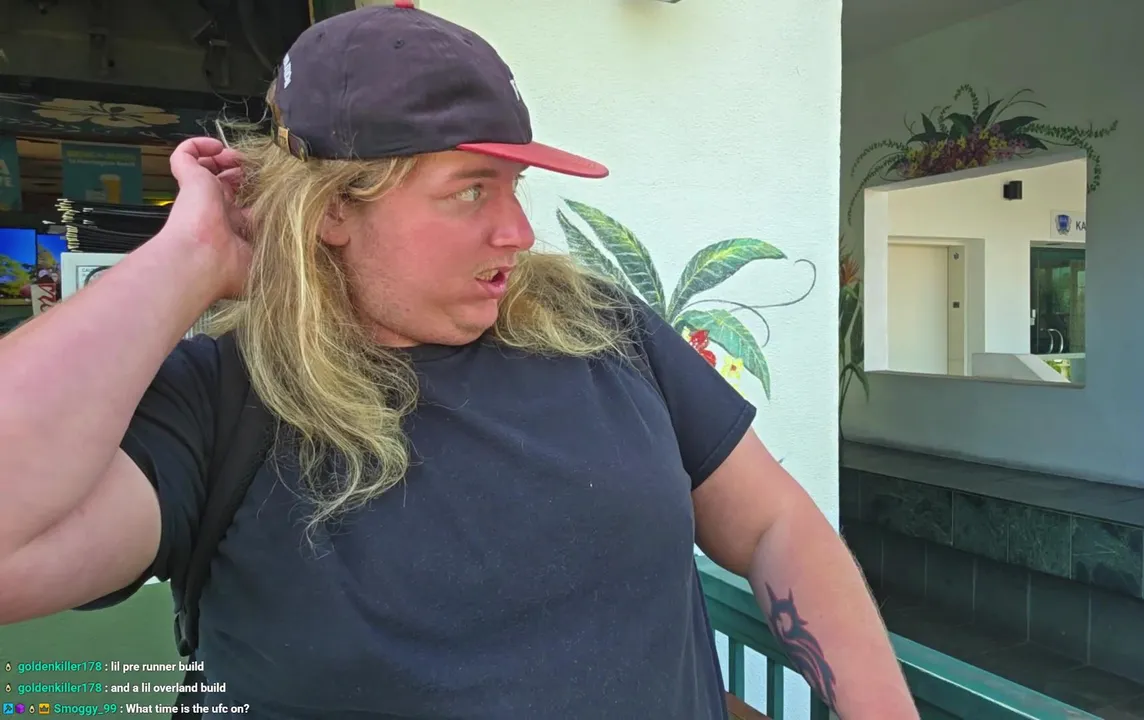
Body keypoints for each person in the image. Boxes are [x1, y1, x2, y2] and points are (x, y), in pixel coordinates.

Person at [0, 4, 916, 719]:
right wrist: (188, 258)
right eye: (470, 191)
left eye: (515, 185)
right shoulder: (224, 403)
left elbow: (773, 523)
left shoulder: (600, 327)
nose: (517, 231)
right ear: (333, 210)